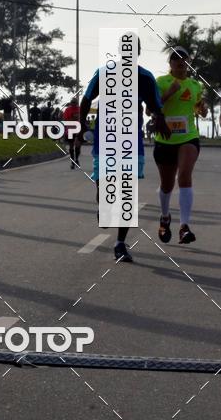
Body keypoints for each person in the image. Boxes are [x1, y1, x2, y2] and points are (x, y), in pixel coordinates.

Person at [80, 43, 171, 262]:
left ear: (138, 52)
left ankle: (120, 243)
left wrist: (161, 121)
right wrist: (81, 124)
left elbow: (155, 106)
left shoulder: (145, 77)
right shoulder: (105, 72)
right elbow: (87, 98)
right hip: (106, 137)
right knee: (104, 184)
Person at [154, 47, 207, 245]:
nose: (180, 62)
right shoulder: (161, 82)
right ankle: (165, 216)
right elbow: (152, 106)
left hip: (188, 137)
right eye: (175, 59)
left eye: (183, 58)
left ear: (188, 61)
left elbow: (197, 107)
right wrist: (168, 93)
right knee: (167, 185)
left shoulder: (195, 85)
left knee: (184, 175)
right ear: (170, 63)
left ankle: (184, 227)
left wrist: (202, 109)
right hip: (165, 140)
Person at [62, 97, 81, 169]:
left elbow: (82, 118)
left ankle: (76, 159)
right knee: (71, 146)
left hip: (78, 129)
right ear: (71, 103)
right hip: (70, 130)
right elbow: (65, 119)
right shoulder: (67, 110)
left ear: (77, 103)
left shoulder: (80, 109)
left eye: (75, 103)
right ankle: (73, 161)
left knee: (78, 146)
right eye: (72, 103)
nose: (74, 104)